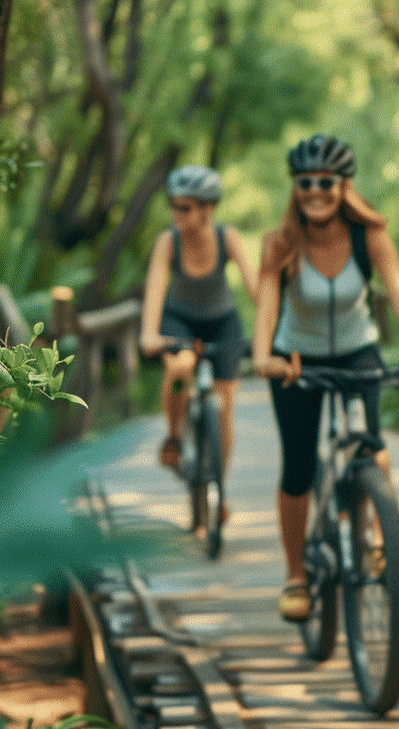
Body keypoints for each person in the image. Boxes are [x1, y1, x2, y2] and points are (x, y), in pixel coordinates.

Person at [253, 134, 399, 623]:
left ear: (343, 186)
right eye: (305, 182)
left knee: (371, 445)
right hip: (295, 359)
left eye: (326, 182)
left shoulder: (368, 236)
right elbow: (266, 310)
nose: (315, 191)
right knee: (298, 468)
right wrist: (263, 356)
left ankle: (376, 535)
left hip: (357, 353)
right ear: (295, 187)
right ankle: (295, 574)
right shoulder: (280, 243)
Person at [140, 165, 258, 525]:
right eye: (174, 206)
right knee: (180, 367)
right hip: (180, 320)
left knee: (223, 406)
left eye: (186, 208)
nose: (177, 214)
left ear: (208, 209)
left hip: (223, 322)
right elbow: (155, 290)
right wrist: (148, 334)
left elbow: (256, 289)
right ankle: (175, 436)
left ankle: (217, 491)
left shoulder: (227, 237)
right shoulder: (168, 242)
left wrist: (273, 334)